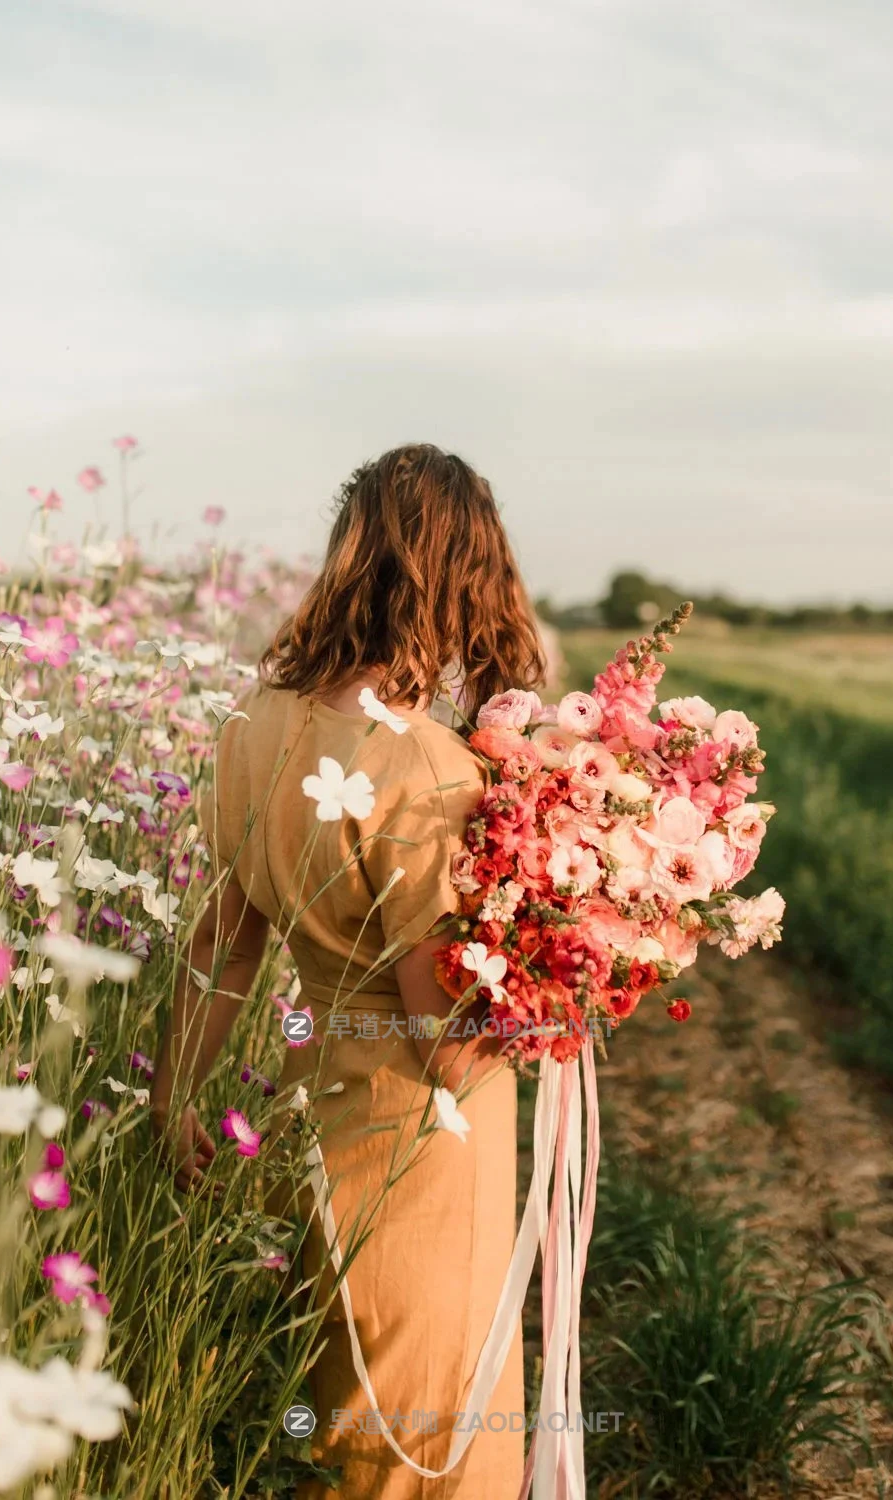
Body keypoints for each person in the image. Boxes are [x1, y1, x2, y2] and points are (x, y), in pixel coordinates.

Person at [150, 443, 547, 1499]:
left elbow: (223, 944)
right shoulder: (427, 768)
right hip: (420, 1150)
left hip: (309, 1117)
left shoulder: (256, 723)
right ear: (466, 577)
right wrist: (564, 988)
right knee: (426, 1439)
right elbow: (446, 1050)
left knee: (338, 1420)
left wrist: (173, 1091)